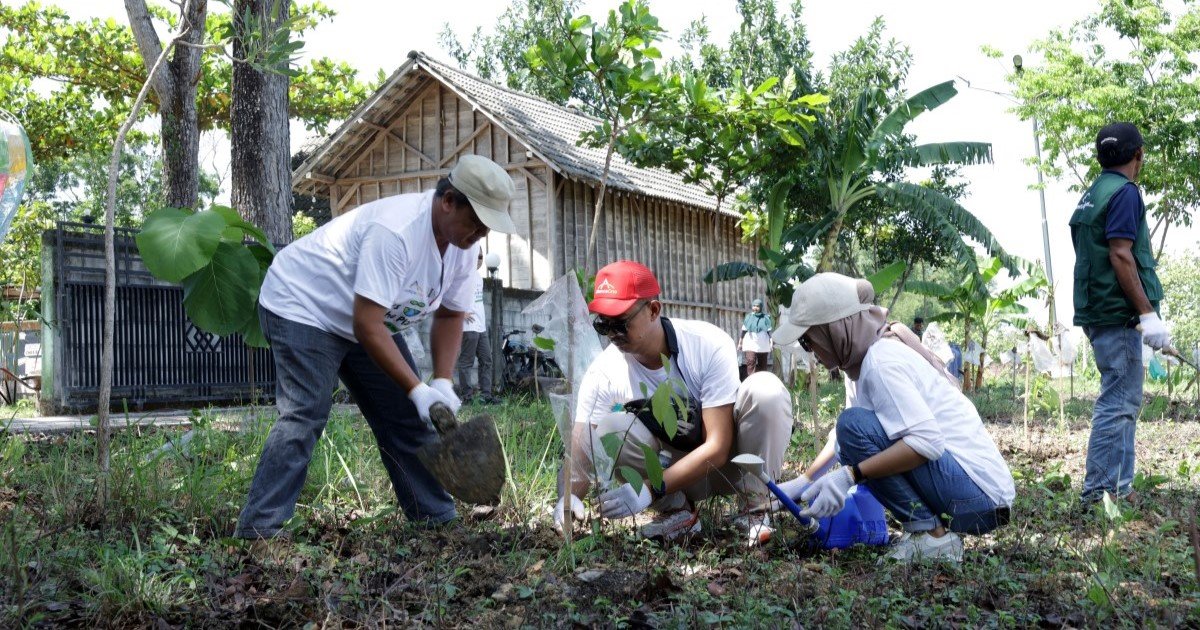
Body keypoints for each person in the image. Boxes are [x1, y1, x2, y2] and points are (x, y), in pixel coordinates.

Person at [234, 155, 517, 540]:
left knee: (404, 415)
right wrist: (417, 389)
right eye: (476, 223)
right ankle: (259, 530)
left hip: (365, 318)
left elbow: (451, 316)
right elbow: (366, 325)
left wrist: (444, 382)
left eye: (487, 229)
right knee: (306, 413)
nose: (479, 234)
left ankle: (434, 516)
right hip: (303, 304)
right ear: (449, 200)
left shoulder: (463, 248)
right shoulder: (396, 232)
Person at [771, 273, 1015, 563]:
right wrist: (804, 482)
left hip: (978, 496)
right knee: (849, 429)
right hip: (969, 489)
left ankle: (933, 537)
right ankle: (930, 533)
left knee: (852, 427)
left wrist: (850, 475)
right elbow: (845, 439)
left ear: (834, 331)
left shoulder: (881, 361)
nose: (810, 352)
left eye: (809, 341)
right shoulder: (858, 363)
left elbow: (927, 443)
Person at [555, 261, 792, 545]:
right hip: (675, 477)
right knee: (609, 430)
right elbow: (582, 451)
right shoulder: (603, 372)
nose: (612, 334)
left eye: (620, 323)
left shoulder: (706, 344)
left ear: (654, 310)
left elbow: (717, 447)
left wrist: (650, 487)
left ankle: (757, 509)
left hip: (732, 466)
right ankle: (679, 512)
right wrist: (568, 498)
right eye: (602, 324)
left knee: (766, 390)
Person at [1070, 122, 1167, 505]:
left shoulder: (1091, 193)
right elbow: (1121, 254)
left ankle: (1119, 490)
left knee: (1124, 402)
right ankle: (1100, 495)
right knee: (1118, 403)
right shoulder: (1125, 193)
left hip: (1098, 312)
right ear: (1138, 156)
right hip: (1118, 314)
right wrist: (1147, 314)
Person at [455, 250, 497, 403]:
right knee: (466, 362)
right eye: (476, 256)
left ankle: (485, 396)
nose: (479, 260)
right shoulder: (461, 275)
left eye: (481, 257)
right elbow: (448, 294)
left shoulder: (478, 277)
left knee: (487, 360)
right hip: (468, 327)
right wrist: (460, 313)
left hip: (481, 326)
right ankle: (467, 397)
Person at [738, 298, 773, 376]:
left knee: (763, 364)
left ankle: (761, 381)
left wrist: (771, 342)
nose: (755, 308)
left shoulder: (766, 318)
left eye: (757, 306)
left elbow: (769, 331)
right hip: (750, 342)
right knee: (750, 361)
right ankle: (751, 381)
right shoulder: (748, 317)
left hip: (762, 344)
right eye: (754, 306)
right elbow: (743, 331)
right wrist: (740, 343)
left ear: (761, 307)